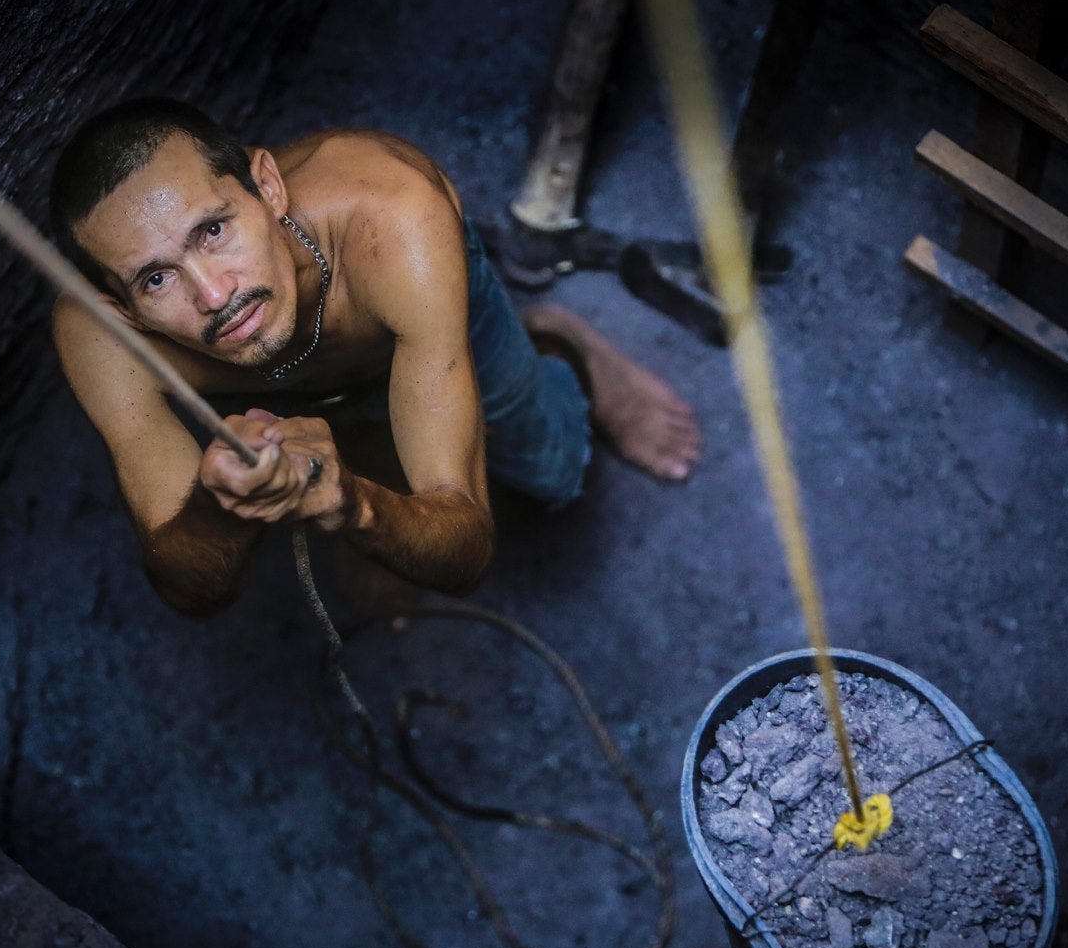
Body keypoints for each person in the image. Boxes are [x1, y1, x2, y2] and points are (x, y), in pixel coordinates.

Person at [48, 97, 700, 617]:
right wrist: (220, 505)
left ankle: (561, 341)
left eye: (213, 230)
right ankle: (369, 440)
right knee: (389, 523)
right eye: (156, 279)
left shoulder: (393, 223)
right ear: (122, 310)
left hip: (415, 310)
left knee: (553, 469)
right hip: (305, 390)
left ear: (267, 187)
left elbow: (465, 553)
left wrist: (350, 504)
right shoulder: (101, 336)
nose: (216, 294)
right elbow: (190, 587)